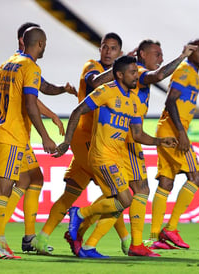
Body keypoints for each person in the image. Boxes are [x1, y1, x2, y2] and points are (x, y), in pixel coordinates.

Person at [73, 40, 197, 257]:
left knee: (131, 193)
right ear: (142, 55)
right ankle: (90, 226)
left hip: (131, 136)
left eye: (161, 54)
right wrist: (181, 57)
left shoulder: (134, 76)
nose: (160, 58)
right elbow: (158, 76)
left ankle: (92, 235)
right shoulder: (138, 72)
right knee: (134, 192)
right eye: (156, 54)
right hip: (126, 140)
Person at [53, 55, 178, 258]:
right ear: (119, 74)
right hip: (101, 155)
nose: (136, 76)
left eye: (136, 72)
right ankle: (80, 215)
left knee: (119, 203)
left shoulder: (134, 102)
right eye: (132, 72)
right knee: (126, 199)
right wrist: (67, 142)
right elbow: (77, 111)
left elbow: (137, 135)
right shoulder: (106, 91)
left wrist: (160, 141)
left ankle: (87, 243)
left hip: (117, 157)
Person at [0, 22, 77, 256]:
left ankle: (26, 238)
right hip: (11, 135)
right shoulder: (30, 68)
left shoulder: (9, 64)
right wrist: (45, 136)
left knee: (34, 178)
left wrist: (62, 90)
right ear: (41, 44)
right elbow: (29, 103)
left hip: (8, 131)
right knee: (3, 189)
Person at [31, 33, 129, 255]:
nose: (107, 51)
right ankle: (125, 241)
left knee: (71, 193)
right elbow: (94, 82)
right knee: (117, 195)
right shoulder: (91, 66)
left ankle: (42, 238)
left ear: (119, 52)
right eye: (105, 47)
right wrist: (120, 70)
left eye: (113, 49)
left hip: (90, 141)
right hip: (86, 139)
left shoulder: (119, 80)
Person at [147, 39, 199, 250]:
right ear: (189, 52)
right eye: (198, 49)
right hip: (174, 132)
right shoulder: (184, 71)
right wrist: (182, 133)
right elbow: (170, 100)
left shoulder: (194, 74)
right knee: (196, 177)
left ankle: (153, 237)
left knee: (166, 182)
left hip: (166, 129)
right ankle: (170, 228)